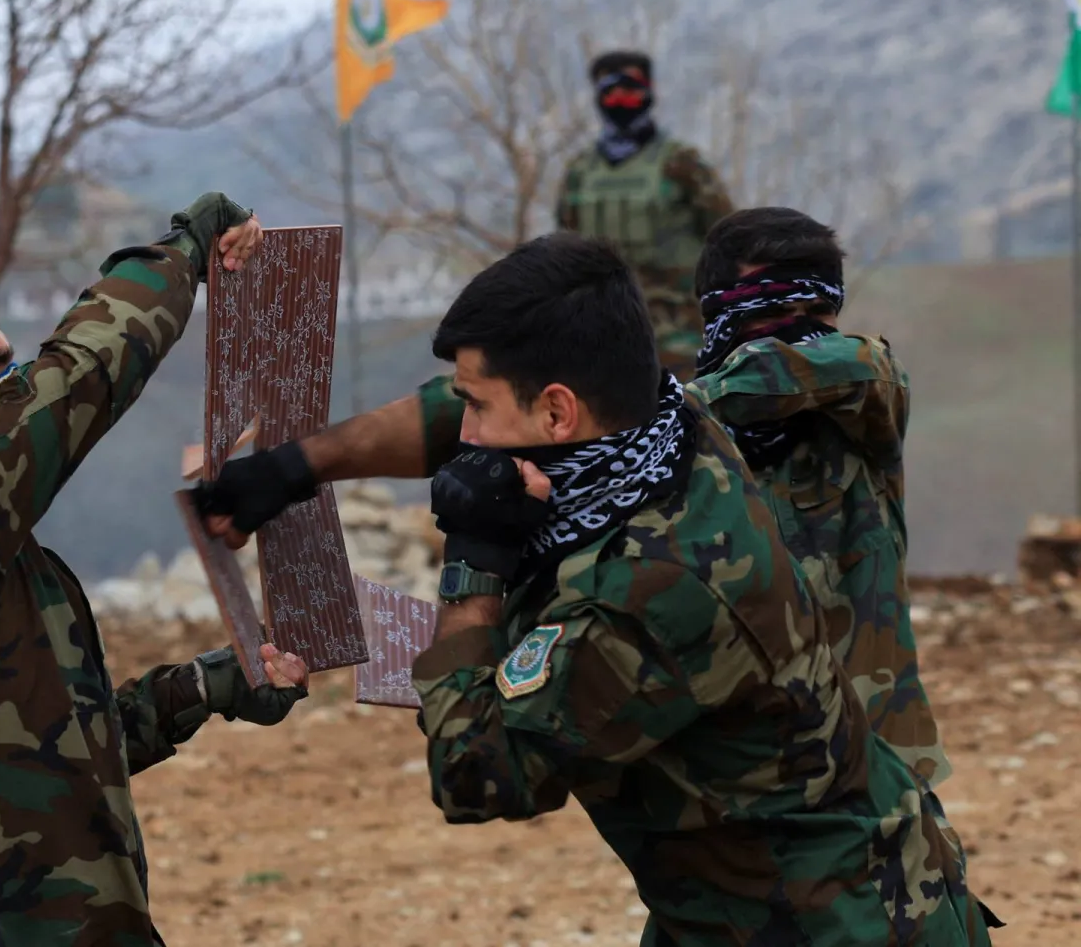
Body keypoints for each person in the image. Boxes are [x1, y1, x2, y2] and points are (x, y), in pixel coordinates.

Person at [200, 234, 995, 944]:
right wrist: (293, 468)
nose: (466, 436)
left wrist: (474, 562)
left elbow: (478, 774)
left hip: (834, 920)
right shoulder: (665, 420)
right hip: (739, 896)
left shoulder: (656, 586)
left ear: (556, 412)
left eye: (480, 408)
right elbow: (454, 410)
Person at [0, 192, 310, 946]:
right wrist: (187, 248)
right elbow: (82, 373)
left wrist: (206, 687)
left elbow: (44, 752)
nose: (16, 392)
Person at [686, 207, 952, 790]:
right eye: (773, 312)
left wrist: (665, 413)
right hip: (737, 775)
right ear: (718, 315)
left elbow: (836, 368)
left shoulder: (865, 396)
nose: (799, 330)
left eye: (818, 313)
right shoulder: (675, 451)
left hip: (870, 767)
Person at [555, 50, 733, 381]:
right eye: (611, 89)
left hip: (681, 337)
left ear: (649, 90)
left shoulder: (682, 164)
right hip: (602, 338)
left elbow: (730, 241)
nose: (621, 98)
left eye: (631, 86)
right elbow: (563, 255)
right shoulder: (580, 173)